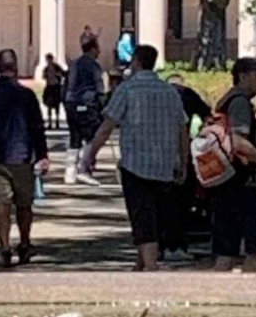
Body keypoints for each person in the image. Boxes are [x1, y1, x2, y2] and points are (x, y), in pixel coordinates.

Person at [81, 45, 188, 271]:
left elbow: (107, 126)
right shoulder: (170, 91)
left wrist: (90, 154)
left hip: (135, 163)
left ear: (137, 63)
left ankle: (150, 267)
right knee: (154, 214)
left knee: (142, 216)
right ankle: (141, 263)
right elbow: (182, 130)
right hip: (165, 164)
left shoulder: (127, 90)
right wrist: (183, 162)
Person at [0, 48, 49, 269]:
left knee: (0, 203)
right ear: (15, 68)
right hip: (21, 156)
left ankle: (4, 248)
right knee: (24, 205)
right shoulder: (26, 95)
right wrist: (42, 154)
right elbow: (37, 127)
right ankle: (24, 243)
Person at [209, 57, 256, 272]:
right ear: (242, 76)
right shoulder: (240, 103)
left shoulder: (227, 101)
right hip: (242, 185)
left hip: (226, 183)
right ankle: (249, 295)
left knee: (226, 252)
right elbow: (239, 142)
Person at [161, 73, 213, 261]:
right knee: (181, 202)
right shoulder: (188, 95)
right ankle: (177, 245)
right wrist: (200, 137)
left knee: (160, 203)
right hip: (184, 149)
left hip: (157, 152)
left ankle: (158, 245)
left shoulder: (160, 95)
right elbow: (208, 115)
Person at [64, 34, 105, 185]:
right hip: (86, 103)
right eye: (98, 48)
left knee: (74, 138)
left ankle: (70, 172)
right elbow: (99, 87)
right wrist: (102, 105)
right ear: (93, 49)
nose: (99, 51)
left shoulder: (74, 64)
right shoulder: (93, 65)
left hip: (71, 103)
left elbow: (67, 85)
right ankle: (84, 169)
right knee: (92, 137)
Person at [42, 53, 66, 130]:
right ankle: (49, 122)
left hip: (56, 87)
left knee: (56, 106)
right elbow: (44, 76)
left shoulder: (57, 67)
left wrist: (57, 75)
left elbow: (63, 74)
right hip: (49, 87)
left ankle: (57, 122)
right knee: (49, 106)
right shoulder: (46, 68)